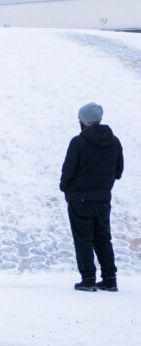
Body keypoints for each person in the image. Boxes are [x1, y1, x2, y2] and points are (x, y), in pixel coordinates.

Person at [60, 102, 123, 292]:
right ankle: (110, 279)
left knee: (83, 238)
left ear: (83, 121)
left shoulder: (78, 142)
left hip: (79, 198)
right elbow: (118, 171)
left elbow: (68, 170)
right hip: (103, 198)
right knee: (103, 237)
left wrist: (65, 188)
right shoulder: (115, 141)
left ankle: (88, 279)